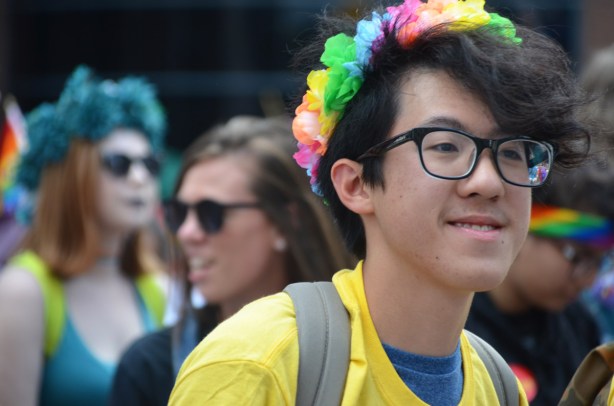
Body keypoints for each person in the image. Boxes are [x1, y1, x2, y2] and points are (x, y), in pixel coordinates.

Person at [169, 0, 590, 404]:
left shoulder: (498, 387)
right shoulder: (258, 364)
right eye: (444, 146)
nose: (488, 181)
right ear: (355, 185)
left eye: (514, 152)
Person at [108, 115, 354, 406]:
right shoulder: (149, 368)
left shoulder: (366, 347)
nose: (186, 233)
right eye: (178, 213)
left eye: (211, 214)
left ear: (287, 220)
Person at [0, 65, 168, 406]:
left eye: (149, 164)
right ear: (73, 177)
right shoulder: (23, 291)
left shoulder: (156, 288)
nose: (139, 178)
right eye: (119, 163)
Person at [465, 164, 609, 405]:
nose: (589, 280)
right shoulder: (457, 330)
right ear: (526, 226)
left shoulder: (578, 326)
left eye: (600, 261)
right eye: (578, 256)